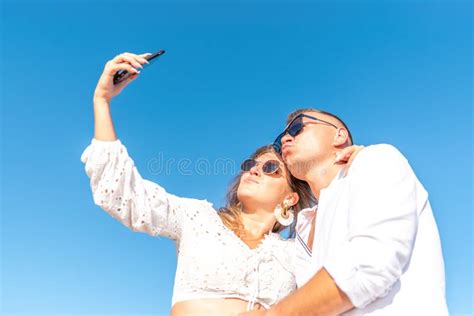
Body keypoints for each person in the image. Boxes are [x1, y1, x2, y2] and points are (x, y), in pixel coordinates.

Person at [80, 53, 360, 315]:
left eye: (271, 167)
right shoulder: (197, 219)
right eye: (250, 164)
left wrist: (355, 162)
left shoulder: (296, 253)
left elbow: (349, 277)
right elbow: (122, 194)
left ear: (290, 198)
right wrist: (102, 100)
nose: (254, 171)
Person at [243, 109, 448, 315]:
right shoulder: (304, 226)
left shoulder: (376, 158)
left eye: (297, 128)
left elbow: (369, 264)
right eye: (280, 140)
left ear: (339, 135)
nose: (286, 137)